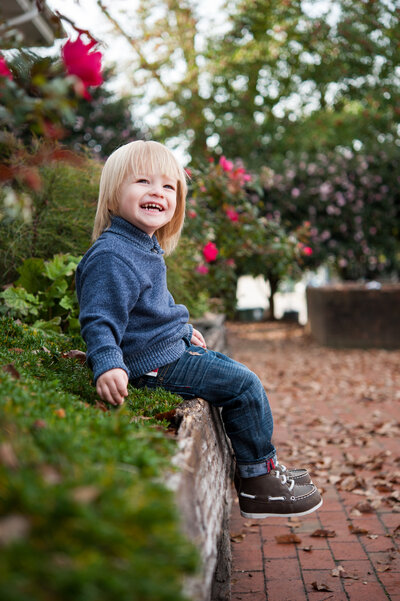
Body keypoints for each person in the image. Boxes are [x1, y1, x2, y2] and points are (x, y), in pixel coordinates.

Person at [75, 140, 322, 519]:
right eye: (143, 181)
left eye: (168, 186)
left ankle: (266, 467)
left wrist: (183, 329)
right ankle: (258, 482)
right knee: (244, 386)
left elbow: (154, 306)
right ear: (112, 195)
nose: (158, 191)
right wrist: (108, 363)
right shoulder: (113, 255)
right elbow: (100, 318)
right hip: (153, 367)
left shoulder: (142, 245)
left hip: (170, 351)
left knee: (230, 369)